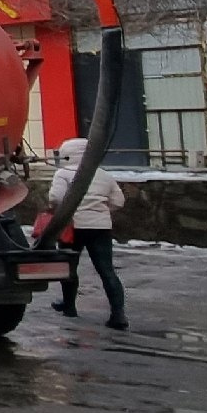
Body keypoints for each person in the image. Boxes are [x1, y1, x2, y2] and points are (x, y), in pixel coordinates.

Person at [45, 134, 129, 330]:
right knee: (107, 271)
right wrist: (99, 210)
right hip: (100, 228)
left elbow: (56, 198)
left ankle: (69, 306)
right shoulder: (103, 174)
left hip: (72, 227)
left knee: (69, 268)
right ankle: (118, 314)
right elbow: (119, 201)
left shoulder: (63, 174)